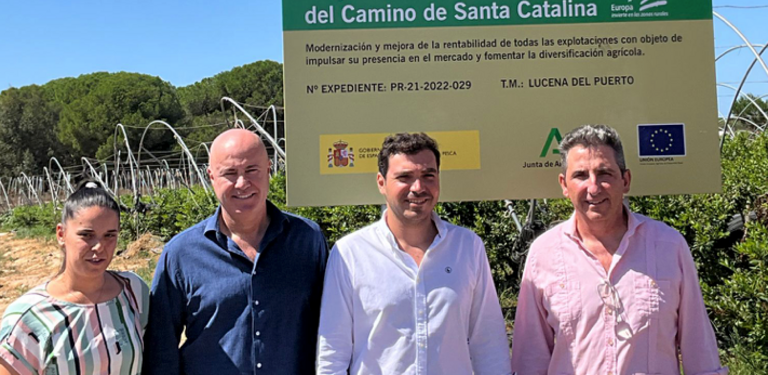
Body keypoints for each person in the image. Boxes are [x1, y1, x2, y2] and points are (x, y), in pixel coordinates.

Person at [510, 124, 727, 375]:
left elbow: (698, 348)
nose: (593, 187)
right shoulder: (544, 253)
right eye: (581, 175)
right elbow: (530, 359)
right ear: (564, 184)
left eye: (605, 174)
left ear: (625, 180)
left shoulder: (669, 246)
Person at [317, 132, 511, 375]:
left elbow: (489, 343)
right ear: (381, 182)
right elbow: (332, 354)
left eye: (428, 176)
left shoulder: (467, 247)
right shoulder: (350, 254)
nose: (418, 188)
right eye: (404, 177)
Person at [142, 129, 328, 375]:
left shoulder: (307, 240)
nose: (242, 183)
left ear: (269, 169)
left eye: (252, 170)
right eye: (229, 173)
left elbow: (332, 328)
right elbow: (161, 350)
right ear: (211, 177)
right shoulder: (181, 254)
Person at [0, 181, 149, 375]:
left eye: (109, 235)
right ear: (61, 234)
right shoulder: (29, 317)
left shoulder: (133, 291)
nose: (99, 247)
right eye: (87, 235)